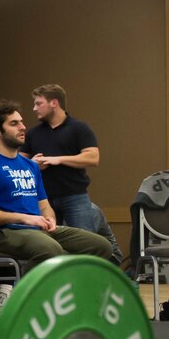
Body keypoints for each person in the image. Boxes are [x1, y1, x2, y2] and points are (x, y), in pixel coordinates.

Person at [0, 99, 112, 312]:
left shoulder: (29, 166)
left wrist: (50, 219)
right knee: (49, 248)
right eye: (14, 123)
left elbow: (44, 205)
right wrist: (22, 218)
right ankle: (22, 302)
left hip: (36, 229)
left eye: (22, 122)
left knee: (100, 246)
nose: (23, 127)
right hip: (4, 232)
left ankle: (71, 297)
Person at [21, 84, 99, 231]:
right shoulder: (33, 133)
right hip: (43, 199)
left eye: (39, 103)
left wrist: (58, 159)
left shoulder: (79, 128)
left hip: (75, 196)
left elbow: (93, 158)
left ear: (54, 103)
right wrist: (32, 164)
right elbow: (18, 163)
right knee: (46, 244)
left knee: (85, 241)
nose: (34, 108)